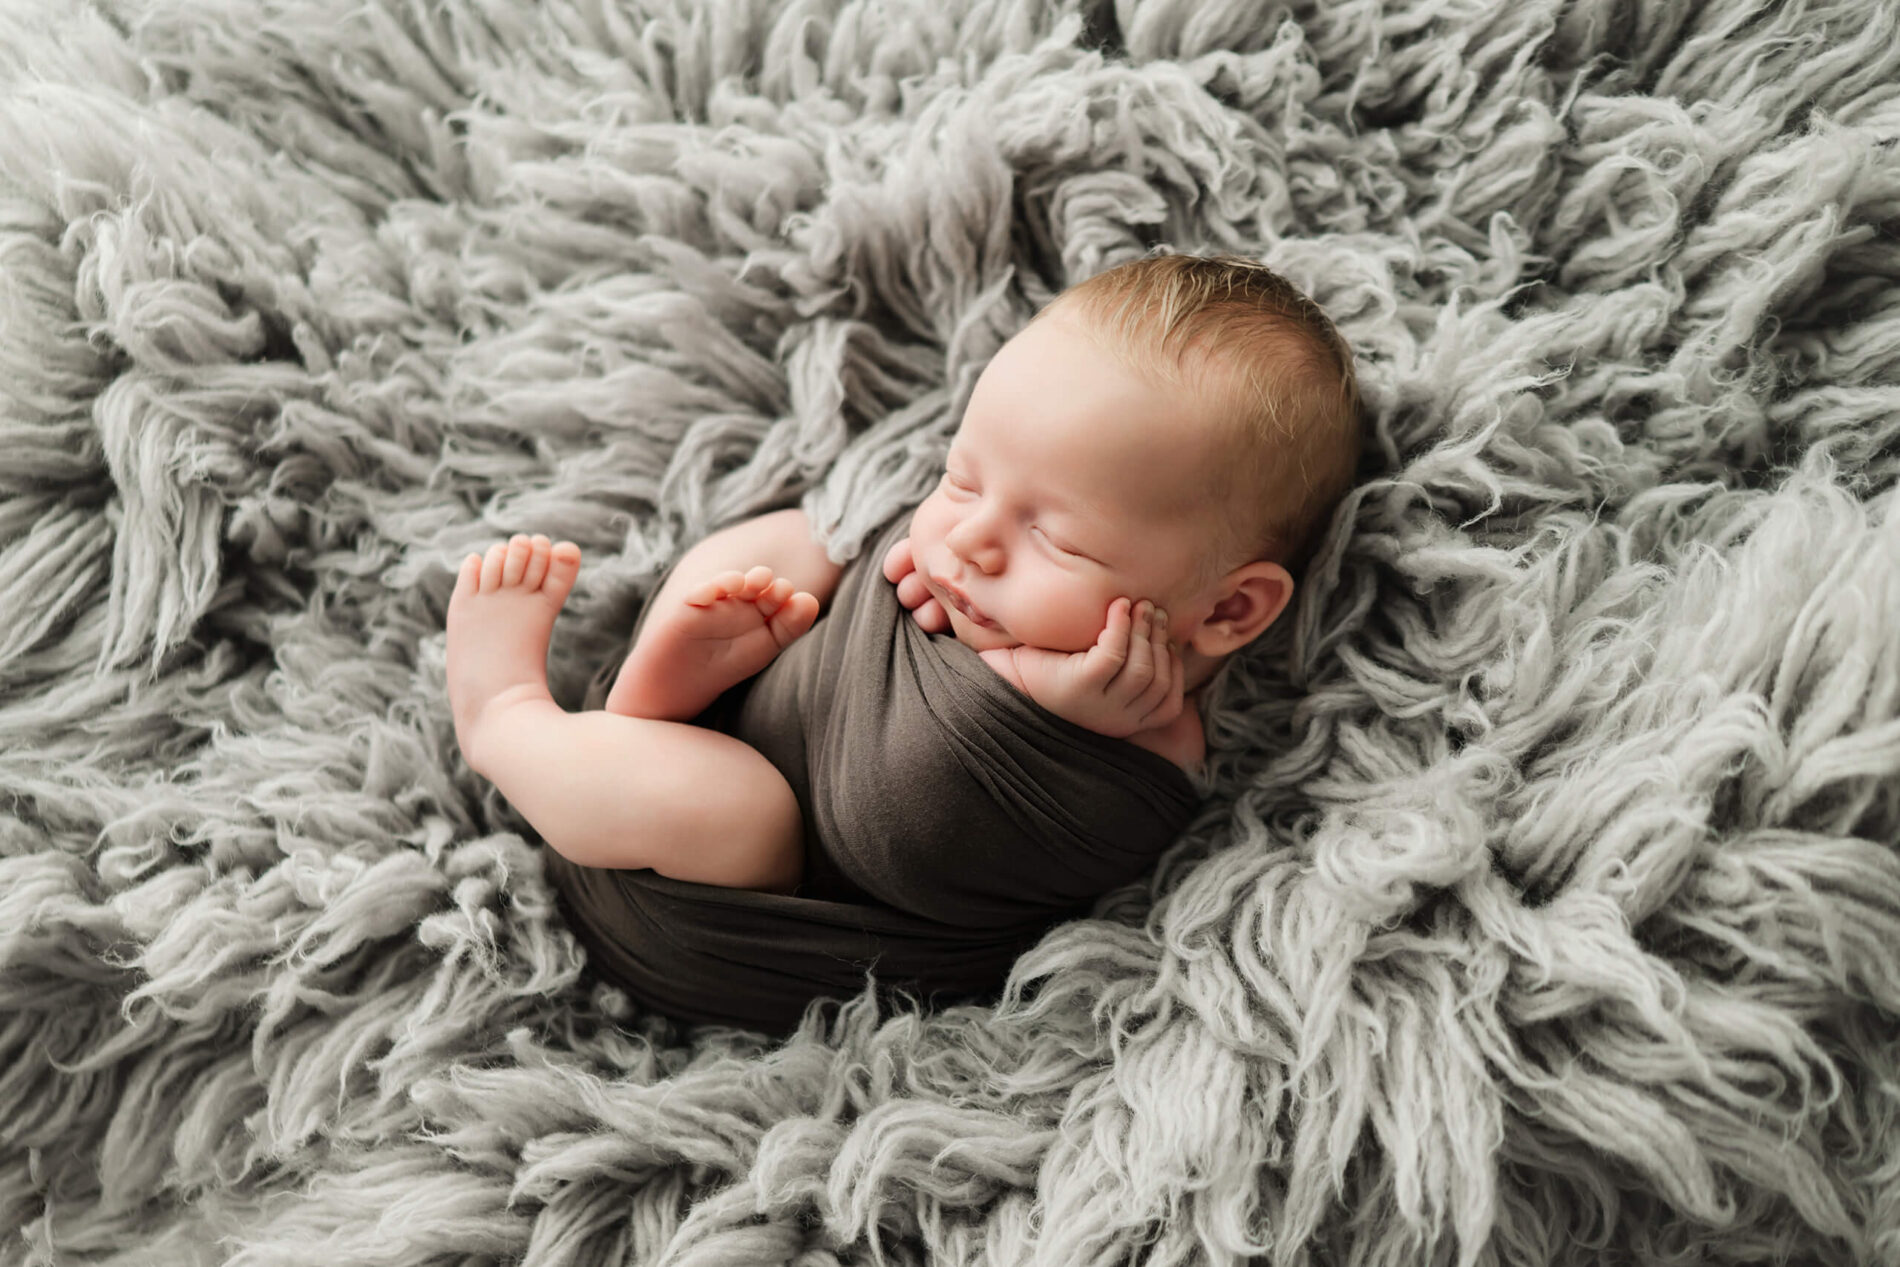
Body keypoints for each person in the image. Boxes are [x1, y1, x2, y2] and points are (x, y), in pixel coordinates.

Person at [443, 252, 1363, 1033]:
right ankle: (650, 703)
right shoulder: (973, 563)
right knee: (798, 545)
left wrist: (1031, 693)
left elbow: (902, 829)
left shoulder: (1151, 748)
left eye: (1056, 539)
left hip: (720, 915)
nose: (968, 540)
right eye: (962, 477)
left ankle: (505, 715)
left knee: (744, 811)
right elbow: (878, 578)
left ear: (1229, 610)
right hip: (762, 715)